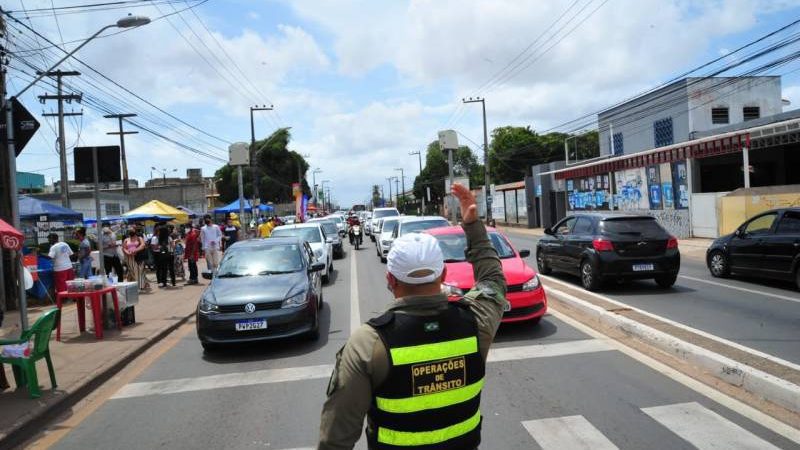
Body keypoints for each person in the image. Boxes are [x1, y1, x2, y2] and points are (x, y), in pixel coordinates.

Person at [318, 183, 507, 449]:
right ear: (442, 275)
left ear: (390, 280)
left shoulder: (367, 343)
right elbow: (493, 281)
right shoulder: (476, 321)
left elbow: (335, 439)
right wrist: (473, 225)